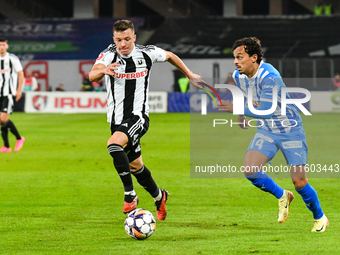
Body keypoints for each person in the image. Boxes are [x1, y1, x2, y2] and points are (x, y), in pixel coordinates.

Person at [89, 20, 202, 220]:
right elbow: (93, 74)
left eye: (126, 39)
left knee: (114, 145)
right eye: (118, 40)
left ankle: (130, 195)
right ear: (113, 39)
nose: (122, 44)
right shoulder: (109, 55)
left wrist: (189, 73)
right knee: (135, 166)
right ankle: (160, 196)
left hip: (138, 117)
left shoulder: (146, 52)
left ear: (134, 38)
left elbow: (170, 56)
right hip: (116, 120)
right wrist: (103, 71)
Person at [217, 37, 328, 232]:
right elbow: (248, 96)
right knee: (251, 170)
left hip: (290, 129)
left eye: (239, 57)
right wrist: (242, 113)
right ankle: (283, 195)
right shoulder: (238, 76)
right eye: (234, 57)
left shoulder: (270, 75)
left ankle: (320, 217)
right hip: (267, 129)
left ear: (254, 57)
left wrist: (235, 109)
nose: (235, 62)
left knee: (299, 181)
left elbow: (267, 109)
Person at [0, 37, 25, 153]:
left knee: (3, 118)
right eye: (0, 45)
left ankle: (19, 138)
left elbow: (21, 75)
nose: (1, 47)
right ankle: (6, 146)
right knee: (2, 120)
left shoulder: (12, 59)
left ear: (7, 46)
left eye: (3, 45)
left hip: (9, 93)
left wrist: (19, 90)